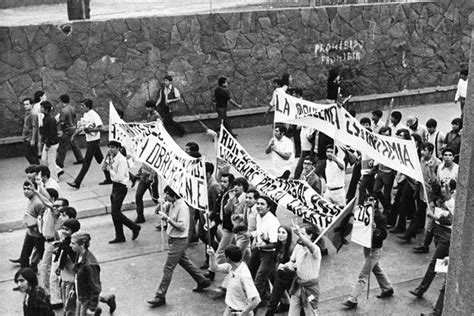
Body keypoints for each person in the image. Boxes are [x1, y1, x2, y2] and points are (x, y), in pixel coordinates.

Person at [147, 185, 211, 308]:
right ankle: (202, 280)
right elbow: (157, 211)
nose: (165, 196)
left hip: (179, 240)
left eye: (167, 194)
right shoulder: (172, 204)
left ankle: (160, 295)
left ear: (174, 195)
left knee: (168, 268)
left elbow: (182, 226)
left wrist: (168, 219)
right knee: (185, 262)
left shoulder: (182, 207)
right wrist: (161, 204)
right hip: (173, 239)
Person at [342, 196, 393, 309]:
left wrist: (376, 231)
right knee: (376, 268)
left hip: (374, 250)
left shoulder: (380, 218)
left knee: (363, 275)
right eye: (367, 201)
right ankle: (387, 288)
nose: (368, 204)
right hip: (367, 247)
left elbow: (383, 235)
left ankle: (353, 299)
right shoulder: (363, 213)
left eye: (371, 202)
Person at [409, 182, 454, 299]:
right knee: (441, 264)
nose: (443, 190)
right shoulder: (439, 200)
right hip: (438, 234)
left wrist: (433, 217)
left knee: (434, 264)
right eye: (442, 187)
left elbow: (449, 220)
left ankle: (422, 289)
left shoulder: (453, 203)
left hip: (446, 238)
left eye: (446, 188)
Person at [101, 141, 141, 243]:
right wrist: (106, 159)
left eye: (113, 147)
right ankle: (120, 235)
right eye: (109, 147)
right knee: (114, 213)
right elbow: (102, 167)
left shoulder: (122, 160)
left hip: (121, 187)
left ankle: (134, 227)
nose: (110, 149)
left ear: (118, 148)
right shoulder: (111, 157)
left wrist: (110, 169)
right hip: (114, 187)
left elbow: (118, 177)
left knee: (116, 212)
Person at [67, 99, 111, 189]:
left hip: (94, 140)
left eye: (83, 106)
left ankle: (77, 182)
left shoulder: (94, 115)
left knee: (86, 162)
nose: (81, 107)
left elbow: (101, 128)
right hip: (89, 140)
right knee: (101, 160)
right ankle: (110, 177)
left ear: (88, 106)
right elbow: (82, 127)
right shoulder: (85, 115)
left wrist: (90, 130)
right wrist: (74, 135)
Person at [281, 223, 322, 316]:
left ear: (310, 236)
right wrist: (286, 266)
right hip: (297, 286)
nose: (299, 237)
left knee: (310, 314)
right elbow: (292, 261)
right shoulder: (298, 247)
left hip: (310, 288)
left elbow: (310, 246)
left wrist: (299, 234)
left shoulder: (316, 250)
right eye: (298, 234)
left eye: (302, 234)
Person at [207, 245, 261, 315]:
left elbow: (256, 300)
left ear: (228, 258)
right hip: (229, 309)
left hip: (240, 312)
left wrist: (243, 313)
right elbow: (214, 268)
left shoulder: (244, 276)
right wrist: (212, 255)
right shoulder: (230, 267)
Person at [248, 196, 280, 307]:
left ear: (269, 207)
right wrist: (252, 235)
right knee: (251, 271)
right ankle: (265, 296)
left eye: (262, 204)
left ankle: (255, 305)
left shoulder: (272, 221)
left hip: (269, 253)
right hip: (259, 250)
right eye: (258, 203)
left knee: (259, 279)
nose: (259, 206)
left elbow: (274, 243)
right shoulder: (259, 216)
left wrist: (263, 245)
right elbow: (260, 231)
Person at [70, 232, 102, 316]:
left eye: (73, 243)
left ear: (82, 245)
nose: (70, 245)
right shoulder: (79, 255)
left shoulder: (90, 264)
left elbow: (96, 288)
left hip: (86, 299)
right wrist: (74, 288)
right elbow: (77, 275)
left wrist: (91, 308)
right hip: (81, 296)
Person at [266, 225, 295, 316]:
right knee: (273, 301)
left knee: (296, 301)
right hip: (280, 276)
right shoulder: (279, 245)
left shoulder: (291, 248)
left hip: (289, 278)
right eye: (279, 232)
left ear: (288, 235)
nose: (280, 235)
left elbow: (294, 265)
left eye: (283, 233)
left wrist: (285, 266)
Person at [56, 94, 84, 173]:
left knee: (62, 146)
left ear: (62, 101)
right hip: (73, 128)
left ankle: (59, 163)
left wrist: (60, 130)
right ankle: (80, 158)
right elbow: (74, 117)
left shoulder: (63, 110)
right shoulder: (72, 108)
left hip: (67, 129)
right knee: (74, 144)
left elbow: (61, 122)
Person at [40, 101, 60, 182]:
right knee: (45, 160)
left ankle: (54, 178)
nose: (40, 109)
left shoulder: (50, 119)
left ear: (46, 109)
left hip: (51, 143)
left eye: (42, 107)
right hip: (48, 142)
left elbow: (52, 133)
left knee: (50, 161)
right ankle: (57, 171)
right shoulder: (45, 117)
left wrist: (48, 144)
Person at [22, 97, 40, 165]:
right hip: (26, 136)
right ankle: (36, 169)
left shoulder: (33, 114)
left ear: (32, 105)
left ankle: (38, 169)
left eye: (27, 104)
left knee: (29, 154)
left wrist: (32, 139)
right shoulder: (27, 113)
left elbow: (34, 127)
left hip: (30, 137)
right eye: (24, 104)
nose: (25, 106)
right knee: (32, 155)